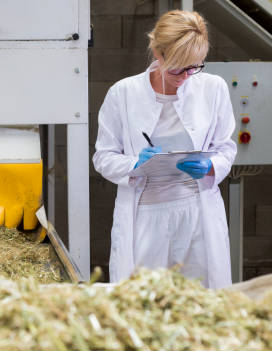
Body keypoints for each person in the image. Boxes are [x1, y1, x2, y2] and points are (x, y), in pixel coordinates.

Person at [92, 10, 236, 289]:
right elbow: (103, 156)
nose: (185, 76)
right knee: (145, 300)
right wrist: (133, 164)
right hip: (146, 215)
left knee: (202, 297)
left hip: (198, 212)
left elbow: (225, 148)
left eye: (194, 67)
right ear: (157, 53)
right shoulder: (123, 93)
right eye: (177, 68)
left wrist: (211, 166)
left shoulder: (213, 88)